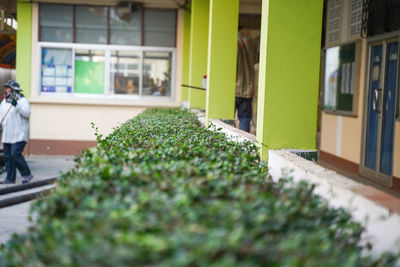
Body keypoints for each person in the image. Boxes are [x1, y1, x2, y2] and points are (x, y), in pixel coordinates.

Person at [0, 80, 33, 184]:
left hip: (19, 133)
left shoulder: (22, 100)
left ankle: (27, 174)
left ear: (14, 90)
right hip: (7, 134)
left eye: (8, 88)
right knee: (8, 156)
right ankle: (10, 178)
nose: (6, 90)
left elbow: (27, 113)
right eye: (6, 88)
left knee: (15, 153)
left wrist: (16, 105)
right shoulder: (4, 102)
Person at [235, 26, 258, 132]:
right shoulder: (252, 43)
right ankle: (243, 147)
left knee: (226, 120)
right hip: (248, 89)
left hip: (232, 89)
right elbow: (256, 60)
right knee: (245, 118)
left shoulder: (231, 42)